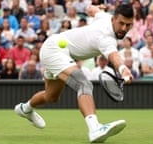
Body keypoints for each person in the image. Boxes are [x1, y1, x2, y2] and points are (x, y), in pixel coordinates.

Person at [14, 4, 133, 143]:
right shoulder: (106, 39)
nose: (124, 28)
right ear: (113, 19)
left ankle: (25, 109)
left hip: (57, 50)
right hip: (54, 49)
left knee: (51, 96)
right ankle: (94, 128)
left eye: (128, 25)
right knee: (84, 84)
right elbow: (114, 56)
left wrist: (94, 7)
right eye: (121, 23)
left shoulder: (104, 16)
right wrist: (123, 69)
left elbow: (91, 9)